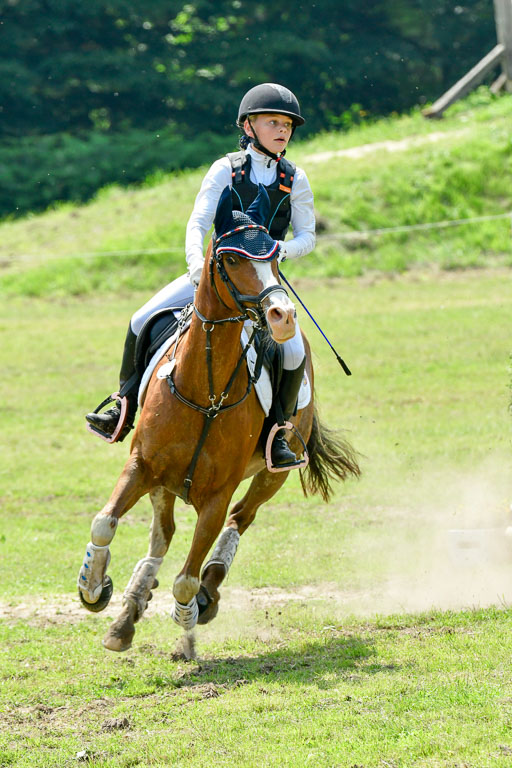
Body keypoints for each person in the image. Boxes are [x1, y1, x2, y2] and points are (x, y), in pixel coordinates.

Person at [86, 82, 316, 468]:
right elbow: (198, 224)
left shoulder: (295, 178)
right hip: (213, 276)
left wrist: (280, 251)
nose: (282, 130)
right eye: (273, 122)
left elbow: (308, 237)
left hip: (262, 284)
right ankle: (123, 406)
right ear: (248, 127)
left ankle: (278, 433)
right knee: (141, 318)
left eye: (288, 125)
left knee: (292, 350)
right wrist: (197, 267)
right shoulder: (225, 169)